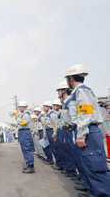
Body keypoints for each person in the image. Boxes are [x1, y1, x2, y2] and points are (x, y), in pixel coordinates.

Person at [65, 64, 110, 197]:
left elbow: (85, 114)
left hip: (88, 131)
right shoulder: (78, 92)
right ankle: (93, 192)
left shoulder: (81, 91)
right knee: (88, 166)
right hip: (85, 131)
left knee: (95, 168)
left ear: (71, 78)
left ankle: (102, 194)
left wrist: (81, 135)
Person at [56, 81, 78, 181]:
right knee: (68, 152)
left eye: (59, 91)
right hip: (65, 131)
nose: (58, 93)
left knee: (74, 153)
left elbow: (73, 119)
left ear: (64, 90)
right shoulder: (65, 104)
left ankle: (75, 174)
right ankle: (71, 171)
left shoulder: (70, 102)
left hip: (71, 130)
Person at [12, 101, 35, 173]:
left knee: (27, 148)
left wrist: (17, 118)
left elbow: (24, 122)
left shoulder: (26, 114)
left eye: (20, 107)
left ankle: (31, 166)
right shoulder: (23, 114)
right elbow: (22, 125)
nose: (19, 109)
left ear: (23, 107)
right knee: (24, 149)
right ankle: (28, 164)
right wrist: (15, 125)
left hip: (25, 132)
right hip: (22, 132)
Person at [51, 98, 65, 170]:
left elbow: (63, 123)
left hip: (62, 131)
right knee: (59, 148)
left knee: (62, 149)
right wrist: (55, 133)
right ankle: (60, 165)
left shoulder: (62, 113)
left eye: (54, 105)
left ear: (59, 106)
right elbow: (55, 125)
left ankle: (63, 166)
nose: (53, 107)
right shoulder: (57, 114)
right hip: (58, 131)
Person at [42, 101, 56, 165]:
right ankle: (51, 161)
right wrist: (45, 134)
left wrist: (55, 133)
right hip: (48, 131)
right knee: (51, 147)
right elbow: (44, 125)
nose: (43, 108)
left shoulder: (52, 114)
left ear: (48, 107)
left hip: (52, 131)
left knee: (55, 147)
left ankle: (59, 163)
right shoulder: (47, 114)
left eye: (44, 106)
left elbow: (54, 124)